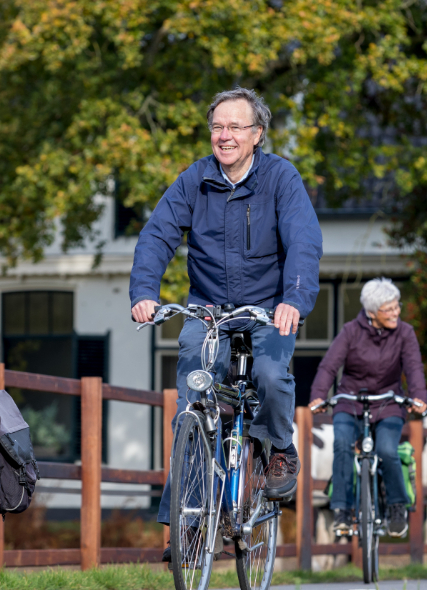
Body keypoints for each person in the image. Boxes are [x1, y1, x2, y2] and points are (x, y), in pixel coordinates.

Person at [130, 87, 323, 552]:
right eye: (218, 126)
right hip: (209, 309)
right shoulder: (195, 180)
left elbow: (303, 240)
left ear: (257, 135)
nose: (225, 135)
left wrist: (294, 298)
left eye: (236, 127)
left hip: (266, 310)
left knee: (272, 376)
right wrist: (144, 292)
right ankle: (192, 521)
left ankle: (278, 447)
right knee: (191, 405)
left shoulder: (280, 178)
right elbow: (157, 236)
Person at [308, 278, 427, 538]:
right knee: (341, 444)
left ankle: (397, 507)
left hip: (389, 402)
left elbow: (414, 368)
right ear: (372, 313)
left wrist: (418, 396)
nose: (396, 313)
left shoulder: (405, 333)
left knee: (386, 449)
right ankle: (341, 510)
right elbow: (329, 365)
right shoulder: (351, 331)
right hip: (350, 400)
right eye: (389, 309)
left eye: (397, 306)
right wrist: (318, 395)